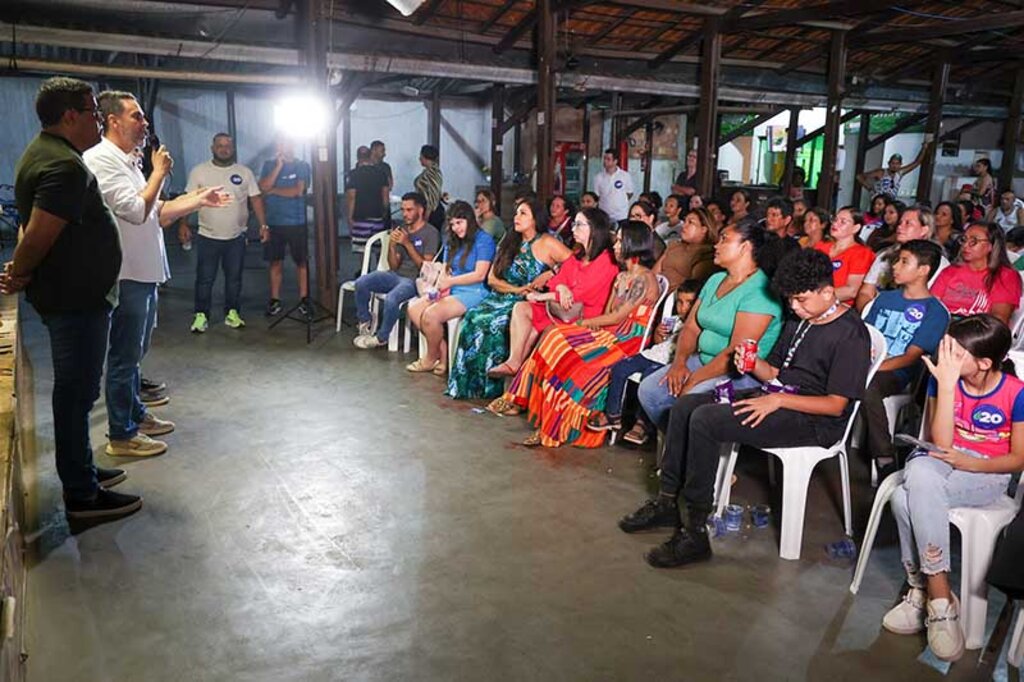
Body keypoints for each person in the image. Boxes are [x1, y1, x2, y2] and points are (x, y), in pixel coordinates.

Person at [619, 248, 871, 568]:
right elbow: (776, 374)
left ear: (828, 292)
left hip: (813, 419)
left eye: (802, 299)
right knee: (684, 408)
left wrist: (777, 399)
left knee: (706, 420)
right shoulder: (801, 319)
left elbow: (836, 406)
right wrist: (753, 363)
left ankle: (695, 530)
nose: (794, 306)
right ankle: (668, 500)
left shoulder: (850, 334)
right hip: (778, 396)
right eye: (790, 300)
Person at [3, 76, 141, 519]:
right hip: (75, 300)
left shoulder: (48, 152)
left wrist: (22, 269)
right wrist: (18, 271)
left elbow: (35, 226)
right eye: (92, 114)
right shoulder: (63, 166)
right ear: (69, 117)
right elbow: (40, 232)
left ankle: (81, 470)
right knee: (76, 393)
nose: (99, 121)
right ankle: (81, 494)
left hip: (74, 296)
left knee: (77, 392)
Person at [84, 90, 229, 458]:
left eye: (143, 117)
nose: (144, 122)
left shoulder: (128, 161)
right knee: (123, 356)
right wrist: (161, 173)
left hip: (143, 270)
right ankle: (121, 435)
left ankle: (134, 413)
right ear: (112, 120)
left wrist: (198, 200)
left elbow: (157, 211)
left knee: (135, 351)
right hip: (125, 272)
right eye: (136, 116)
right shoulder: (101, 160)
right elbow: (136, 209)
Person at [883, 315, 1024, 662]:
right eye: (946, 348)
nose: (944, 357)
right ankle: (939, 597)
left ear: (984, 362)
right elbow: (939, 442)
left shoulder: (1016, 394)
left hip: (986, 473)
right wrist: (944, 387)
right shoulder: (943, 381)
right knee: (919, 475)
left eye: (955, 353)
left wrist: (970, 462)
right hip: (940, 462)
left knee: (906, 495)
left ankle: (922, 590)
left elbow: (1018, 459)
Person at [491, 221, 661, 448]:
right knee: (552, 335)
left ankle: (553, 428)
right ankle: (524, 403)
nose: (616, 246)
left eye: (620, 241)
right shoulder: (621, 277)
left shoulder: (644, 278)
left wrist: (583, 323)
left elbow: (617, 317)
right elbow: (609, 313)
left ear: (634, 244)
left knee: (571, 358)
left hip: (627, 340)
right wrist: (585, 326)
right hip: (609, 332)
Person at [634, 219, 785, 443]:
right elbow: (691, 327)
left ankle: (694, 456)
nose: (717, 244)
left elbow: (736, 353)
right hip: (704, 361)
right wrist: (679, 364)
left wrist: (693, 380)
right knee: (649, 391)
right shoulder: (715, 280)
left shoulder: (759, 292)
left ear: (745, 247)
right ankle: (683, 448)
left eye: (725, 239)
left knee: (689, 401)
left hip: (740, 374)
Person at [447, 197, 569, 400]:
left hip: (526, 301)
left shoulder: (546, 242)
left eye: (523, 213)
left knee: (494, 323)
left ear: (535, 218)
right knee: (472, 318)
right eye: (516, 213)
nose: (517, 218)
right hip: (503, 295)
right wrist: (516, 288)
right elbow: (493, 279)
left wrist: (552, 272)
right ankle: (469, 385)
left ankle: (493, 387)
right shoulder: (509, 240)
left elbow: (573, 264)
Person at [486, 206, 617, 380]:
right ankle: (514, 362)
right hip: (561, 308)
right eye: (574, 224)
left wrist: (542, 296)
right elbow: (557, 280)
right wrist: (561, 288)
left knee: (534, 330)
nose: (573, 229)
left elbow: (580, 295)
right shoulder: (579, 254)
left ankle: (519, 380)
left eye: (579, 225)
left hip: (583, 315)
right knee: (521, 308)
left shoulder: (606, 260)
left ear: (594, 229)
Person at [861, 240, 949, 473]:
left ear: (923, 270)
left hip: (897, 373)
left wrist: (872, 368)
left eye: (904, 262)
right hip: (867, 364)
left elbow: (911, 357)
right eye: (897, 260)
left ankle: (884, 459)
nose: (895, 267)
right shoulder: (884, 299)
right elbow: (864, 336)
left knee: (867, 386)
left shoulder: (935, 311)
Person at [588, 280, 701, 440]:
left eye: (689, 303)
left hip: (669, 363)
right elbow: (659, 342)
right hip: (653, 354)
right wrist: (658, 333)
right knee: (620, 368)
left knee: (649, 378)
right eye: (680, 303)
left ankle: (642, 424)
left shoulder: (697, 327)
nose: (683, 308)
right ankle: (612, 415)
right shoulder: (674, 321)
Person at [179, 132, 265, 333]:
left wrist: (263, 225)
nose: (224, 149)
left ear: (233, 149)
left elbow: (256, 199)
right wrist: (183, 224)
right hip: (208, 236)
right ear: (212, 148)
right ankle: (201, 315)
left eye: (227, 146)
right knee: (204, 279)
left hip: (236, 237)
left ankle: (232, 313)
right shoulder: (199, 172)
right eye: (220, 145)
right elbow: (188, 199)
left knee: (234, 279)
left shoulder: (244, 172)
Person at [406, 201, 496, 374]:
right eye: (453, 224)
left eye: (459, 222)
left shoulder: (484, 240)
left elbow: (479, 275)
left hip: (475, 290)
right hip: (452, 288)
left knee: (431, 315)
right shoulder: (451, 241)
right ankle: (442, 353)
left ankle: (430, 358)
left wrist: (450, 283)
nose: (456, 228)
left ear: (469, 220)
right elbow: (446, 271)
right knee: (414, 309)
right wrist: (439, 287)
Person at [353, 192, 439, 350]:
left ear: (420, 210)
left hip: (415, 280)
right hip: (395, 275)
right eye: (403, 210)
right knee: (361, 283)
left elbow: (425, 268)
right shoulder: (402, 230)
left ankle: (381, 337)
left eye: (409, 210)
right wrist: (392, 246)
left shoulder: (431, 233)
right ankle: (365, 321)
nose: (405, 214)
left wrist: (407, 244)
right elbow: (393, 266)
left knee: (392, 298)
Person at [258, 137, 312, 318]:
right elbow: (263, 187)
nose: (284, 147)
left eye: (287, 144)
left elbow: (298, 191)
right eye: (281, 144)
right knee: (275, 262)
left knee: (301, 261)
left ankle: (304, 298)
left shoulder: (302, 166)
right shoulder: (269, 165)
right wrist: (278, 167)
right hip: (274, 222)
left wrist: (274, 190)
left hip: (297, 222)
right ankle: (275, 299)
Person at [856, 205, 946, 311]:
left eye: (908, 223)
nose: (900, 227)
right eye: (900, 223)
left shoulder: (939, 263)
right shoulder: (885, 255)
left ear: (924, 230)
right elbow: (865, 292)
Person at [930, 221, 1022, 324]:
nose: (965, 245)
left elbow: (998, 320)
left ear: (991, 246)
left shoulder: (1006, 276)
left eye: (973, 241)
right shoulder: (951, 271)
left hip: (978, 333)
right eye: (964, 240)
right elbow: (931, 305)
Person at [813, 207, 875, 306]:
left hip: (840, 306)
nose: (835, 224)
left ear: (856, 228)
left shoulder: (861, 253)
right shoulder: (821, 246)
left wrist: (816, 297)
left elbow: (852, 291)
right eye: (835, 219)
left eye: (843, 222)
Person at [655, 207, 718, 291]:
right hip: (656, 290)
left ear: (704, 229)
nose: (684, 225)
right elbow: (654, 273)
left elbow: (692, 288)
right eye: (685, 221)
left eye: (690, 222)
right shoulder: (674, 245)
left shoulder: (706, 254)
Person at [345, 145, 390, 258]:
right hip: (377, 216)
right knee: (378, 247)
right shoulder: (381, 173)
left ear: (357, 158)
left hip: (360, 217)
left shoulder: (353, 174)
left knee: (362, 249)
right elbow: (385, 196)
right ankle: (379, 270)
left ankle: (364, 271)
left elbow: (351, 197)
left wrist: (350, 217)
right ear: (370, 156)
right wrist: (385, 214)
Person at [857, 144, 930, 199]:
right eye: (893, 163)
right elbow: (859, 177)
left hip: (891, 201)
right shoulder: (881, 172)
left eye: (897, 164)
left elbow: (916, 163)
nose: (894, 166)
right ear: (889, 163)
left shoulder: (899, 173)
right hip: (878, 201)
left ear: (900, 165)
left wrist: (924, 148)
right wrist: (870, 189)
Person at [593, 147, 633, 222]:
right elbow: (597, 195)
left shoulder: (625, 176)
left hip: (621, 215)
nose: (605, 161)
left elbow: (630, 193)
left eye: (608, 159)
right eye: (604, 159)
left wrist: (618, 201)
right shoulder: (598, 177)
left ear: (615, 161)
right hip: (604, 215)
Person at [414, 144, 444, 228]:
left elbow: (432, 198)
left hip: (431, 213)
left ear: (426, 157)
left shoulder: (432, 173)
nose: (419, 158)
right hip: (427, 210)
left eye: (421, 156)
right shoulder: (430, 171)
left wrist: (425, 218)